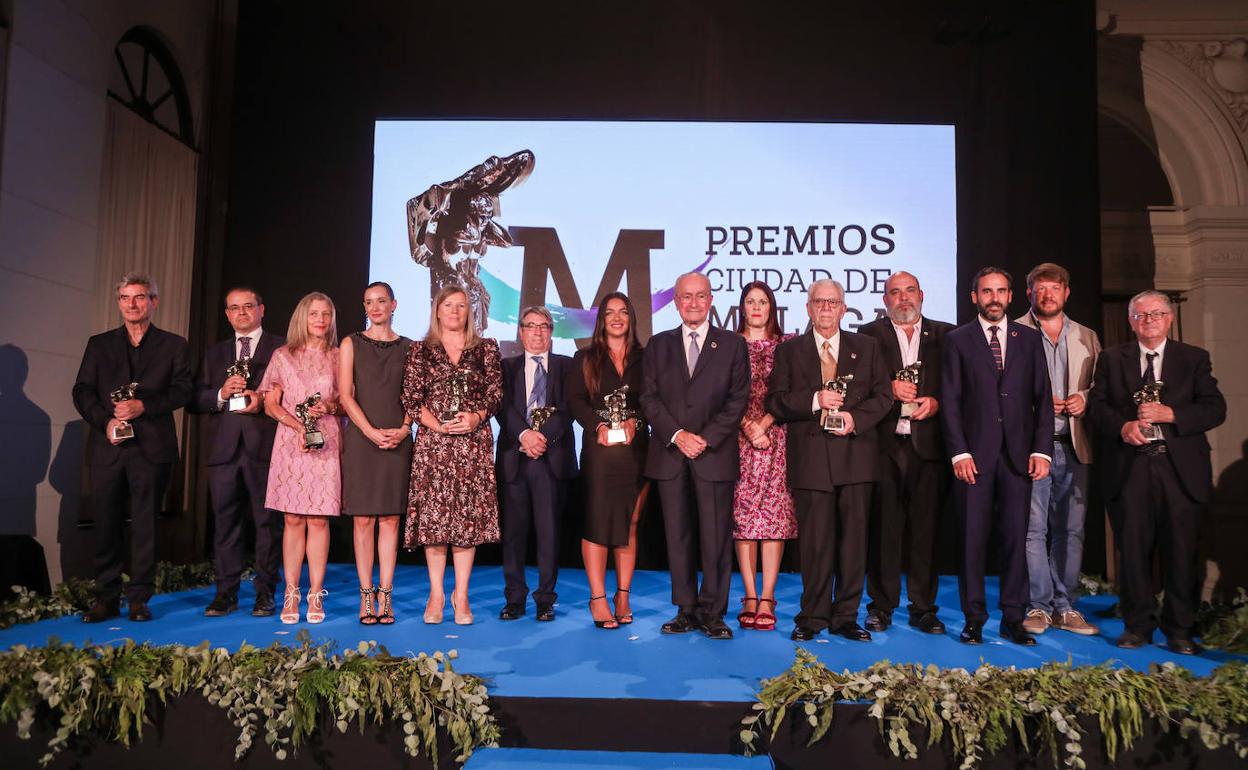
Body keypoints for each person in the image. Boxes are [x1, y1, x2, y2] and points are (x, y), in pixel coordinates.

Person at [1088, 290, 1226, 655]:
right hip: (1130, 467)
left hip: (1179, 468)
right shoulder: (1112, 359)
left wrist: (1173, 415)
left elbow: (1215, 409)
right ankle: (1137, 626)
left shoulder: (1193, 359)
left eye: (1156, 314)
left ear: (1169, 319)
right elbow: (1097, 408)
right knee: (1132, 551)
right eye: (1141, 315)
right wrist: (1122, 427)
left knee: (1182, 551)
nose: (1148, 320)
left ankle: (1180, 630)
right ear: (1130, 320)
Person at [767, 279, 892, 642]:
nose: (825, 308)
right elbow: (776, 401)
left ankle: (846, 616)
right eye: (819, 302)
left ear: (843, 308)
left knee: (854, 542)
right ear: (808, 308)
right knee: (816, 543)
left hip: (855, 456)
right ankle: (813, 615)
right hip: (811, 459)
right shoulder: (790, 351)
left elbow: (883, 396)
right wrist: (814, 400)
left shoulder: (865, 347)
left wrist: (856, 419)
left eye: (832, 302)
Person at [941, 267, 1054, 646]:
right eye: (987, 291)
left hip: (1019, 458)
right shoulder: (958, 340)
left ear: (1011, 296)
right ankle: (974, 618)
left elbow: (1042, 399)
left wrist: (1042, 450)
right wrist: (959, 452)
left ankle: (1013, 617)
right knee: (972, 541)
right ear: (974, 297)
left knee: (1015, 540)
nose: (994, 298)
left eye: (1001, 291)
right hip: (974, 456)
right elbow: (951, 402)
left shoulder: (1029, 339)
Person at [73, 273, 192, 623]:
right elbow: (82, 391)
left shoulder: (173, 345)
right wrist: (105, 421)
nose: (132, 304)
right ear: (119, 302)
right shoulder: (99, 344)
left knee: (145, 525)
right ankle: (105, 597)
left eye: (139, 297)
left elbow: (183, 390)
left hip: (152, 449)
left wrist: (145, 407)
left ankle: (139, 597)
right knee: (107, 523)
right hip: (109, 446)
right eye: (125, 298)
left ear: (153, 302)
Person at [640, 272, 750, 640]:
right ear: (675, 301)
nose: (693, 303)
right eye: (686, 297)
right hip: (671, 455)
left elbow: (738, 400)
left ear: (711, 299)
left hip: (712, 454)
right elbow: (648, 399)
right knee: (678, 535)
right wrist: (678, 435)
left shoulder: (732, 345)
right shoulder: (658, 345)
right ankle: (685, 609)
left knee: (716, 538)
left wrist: (704, 438)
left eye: (700, 296)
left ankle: (714, 612)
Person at [858, 271, 954, 635]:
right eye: (894, 293)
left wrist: (937, 401)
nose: (903, 299)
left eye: (909, 291)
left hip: (928, 446)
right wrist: (887, 387)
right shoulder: (867, 336)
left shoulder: (947, 336)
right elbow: (858, 389)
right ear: (885, 301)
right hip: (883, 447)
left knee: (925, 532)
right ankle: (880, 606)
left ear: (922, 295)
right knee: (883, 530)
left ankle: (924, 607)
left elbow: (960, 386)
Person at [402, 284, 503, 625]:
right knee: (435, 522)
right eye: (449, 305)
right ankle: (436, 594)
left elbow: (495, 394)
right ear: (437, 311)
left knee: (465, 522)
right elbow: (412, 399)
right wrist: (439, 426)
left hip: (472, 445)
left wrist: (474, 417)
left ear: (469, 312)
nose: (455, 311)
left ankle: (461, 595)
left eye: (461, 306)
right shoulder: (421, 350)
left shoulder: (486, 348)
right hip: (434, 446)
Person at [1016, 263, 1101, 637]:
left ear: (1067, 292)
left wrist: (1085, 398)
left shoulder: (1087, 336)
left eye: (1055, 288)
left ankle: (1066, 607)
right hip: (1034, 447)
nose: (1047, 295)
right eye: (1040, 288)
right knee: (1033, 530)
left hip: (1075, 444)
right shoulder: (1014, 332)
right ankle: (1038, 605)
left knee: (1072, 531)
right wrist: (1033, 405)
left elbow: (1104, 386)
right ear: (1029, 293)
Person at [189, 286, 284, 617]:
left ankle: (265, 593)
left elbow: (293, 394)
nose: (241, 312)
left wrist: (263, 399)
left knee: (266, 525)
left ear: (261, 309)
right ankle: (225, 594)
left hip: (266, 447)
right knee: (225, 525)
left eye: (248, 306)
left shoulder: (280, 348)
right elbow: (194, 399)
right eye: (234, 308)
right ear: (227, 314)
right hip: (224, 451)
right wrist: (219, 393)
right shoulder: (214, 354)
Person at [566, 292, 649, 629]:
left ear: (631, 318)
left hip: (636, 450)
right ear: (601, 320)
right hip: (600, 451)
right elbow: (575, 400)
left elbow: (654, 399)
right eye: (610, 313)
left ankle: (623, 594)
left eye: (623, 312)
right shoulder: (584, 357)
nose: (617, 318)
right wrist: (597, 425)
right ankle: (598, 597)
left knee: (629, 523)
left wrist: (636, 421)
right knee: (598, 524)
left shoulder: (648, 357)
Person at [259, 292, 341, 624]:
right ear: (302, 318)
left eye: (326, 314)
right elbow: (270, 404)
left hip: (328, 441)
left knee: (319, 520)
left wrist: (329, 408)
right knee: (292, 519)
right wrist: (298, 426)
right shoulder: (282, 355)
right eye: (314, 314)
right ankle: (291, 593)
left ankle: (315, 593)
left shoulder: (339, 356)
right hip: (291, 443)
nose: (321, 319)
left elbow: (345, 401)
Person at [496, 306, 577, 622]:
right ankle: (514, 599)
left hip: (551, 460)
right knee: (514, 535)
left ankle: (545, 599)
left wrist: (542, 438)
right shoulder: (505, 367)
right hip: (515, 458)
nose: (538, 332)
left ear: (551, 332)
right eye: (531, 326)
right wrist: (525, 435)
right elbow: (501, 407)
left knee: (549, 534)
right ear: (521, 332)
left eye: (544, 326)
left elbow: (568, 408)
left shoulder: (567, 367)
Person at [338, 282, 413, 625]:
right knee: (364, 519)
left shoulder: (411, 347)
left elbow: (415, 396)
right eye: (369, 302)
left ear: (394, 304)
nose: (375, 307)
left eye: (382, 300)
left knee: (390, 520)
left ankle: (386, 594)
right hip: (363, 441)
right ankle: (366, 595)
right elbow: (345, 395)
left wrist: (404, 428)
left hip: (398, 440)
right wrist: (368, 431)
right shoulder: (351, 343)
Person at [731, 282, 797, 632]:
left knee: (774, 519)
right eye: (750, 301)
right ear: (741, 307)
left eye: (763, 301)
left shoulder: (788, 346)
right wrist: (747, 426)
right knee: (744, 520)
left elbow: (792, 391)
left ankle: (768, 596)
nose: (757, 307)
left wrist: (765, 424)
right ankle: (750, 594)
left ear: (772, 307)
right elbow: (723, 393)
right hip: (738, 440)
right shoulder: (728, 345)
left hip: (777, 437)